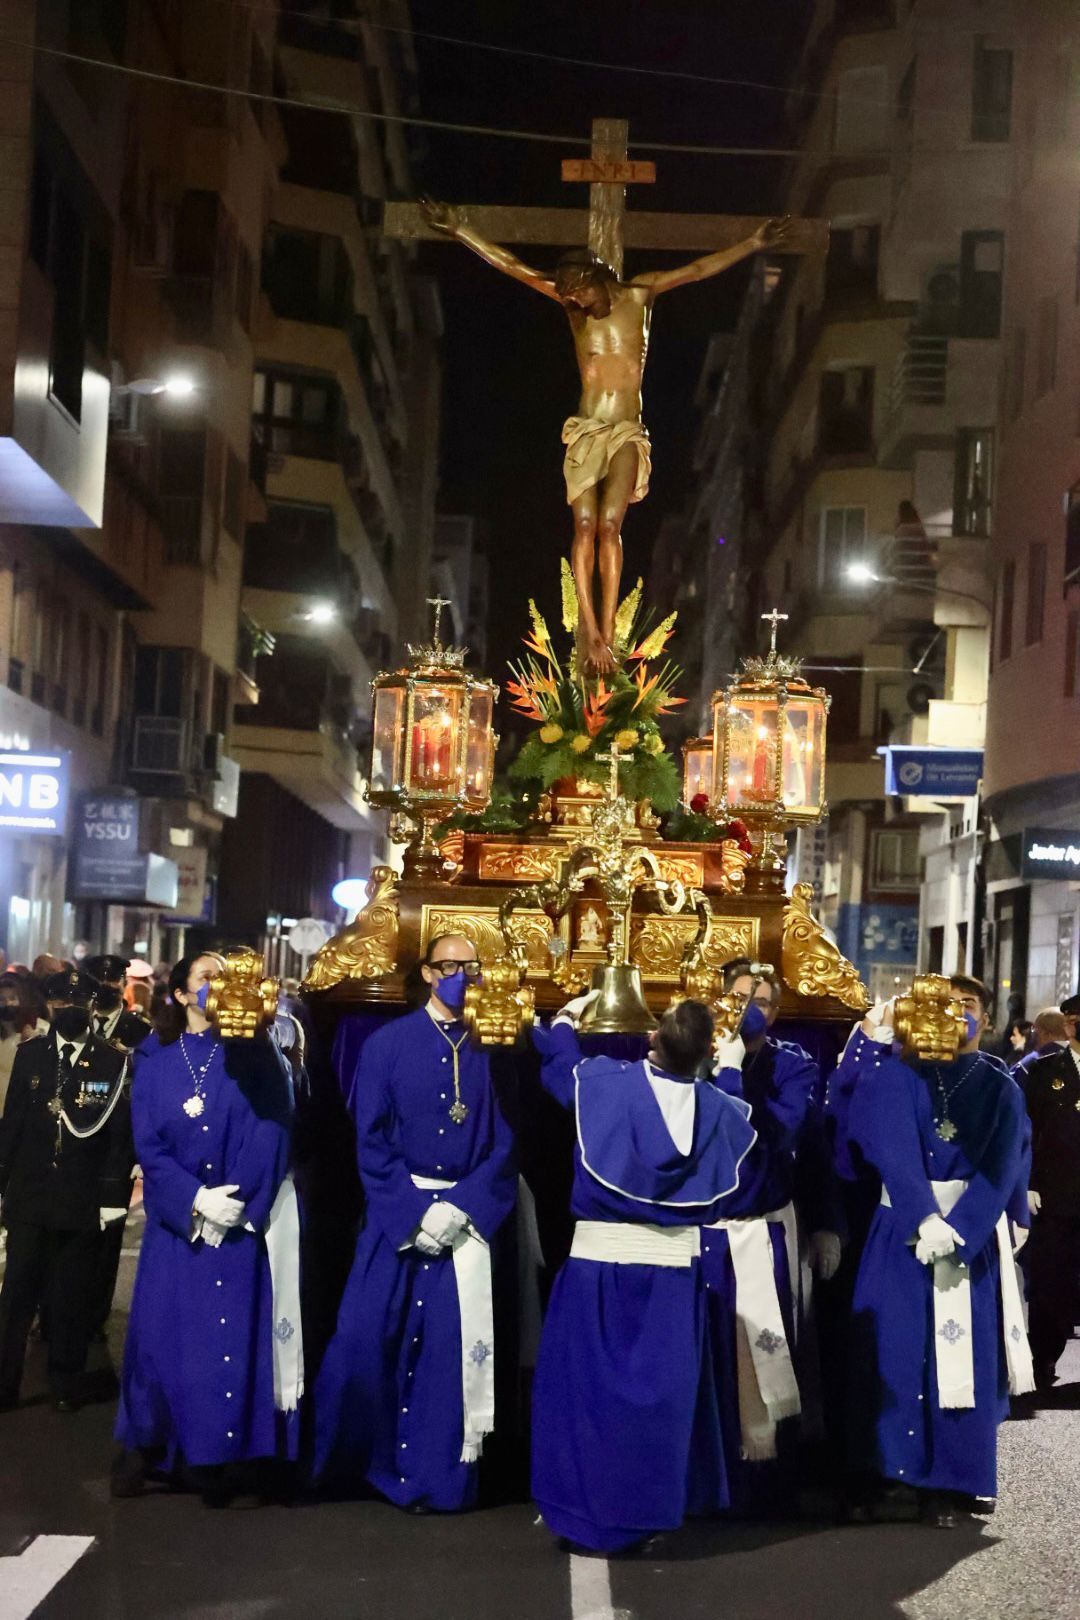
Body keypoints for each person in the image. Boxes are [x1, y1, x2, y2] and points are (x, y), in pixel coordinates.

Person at [422, 195, 790, 673]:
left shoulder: (640, 296)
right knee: (583, 527)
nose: (572, 301)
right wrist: (459, 231)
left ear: (597, 277)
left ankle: (609, 628)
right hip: (587, 430)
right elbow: (512, 266)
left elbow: (698, 269)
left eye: (577, 292)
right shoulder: (574, 311)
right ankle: (590, 631)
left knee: (609, 526)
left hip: (626, 432)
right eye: (568, 296)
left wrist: (753, 243)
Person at [529, 994, 757, 1554]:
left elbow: (560, 1065)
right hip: (673, 1280)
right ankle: (647, 1513)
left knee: (588, 1396)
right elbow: (732, 1116)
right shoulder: (721, 1106)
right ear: (707, 1050)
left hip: (598, 1272)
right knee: (660, 1404)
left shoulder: (606, 1083)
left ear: (652, 1038)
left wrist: (562, 1020)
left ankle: (584, 1515)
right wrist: (730, 1071)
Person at [313, 934, 517, 1511]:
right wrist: (412, 1212)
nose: (463, 975)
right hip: (398, 1217)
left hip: (465, 1220)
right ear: (427, 973)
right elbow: (370, 1139)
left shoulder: (495, 1044)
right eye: (450, 965)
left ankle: (438, 1477)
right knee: (362, 1338)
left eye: (471, 966)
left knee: (451, 1355)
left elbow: (506, 1140)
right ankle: (362, 1465)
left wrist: (463, 1207)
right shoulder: (387, 1043)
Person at [113, 954, 298, 1507]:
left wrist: (236, 1202)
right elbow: (150, 1146)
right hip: (180, 1231)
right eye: (206, 978)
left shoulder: (257, 1058)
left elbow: (273, 1129)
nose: (217, 988)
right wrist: (194, 1201)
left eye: (225, 978)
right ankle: (167, 1448)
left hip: (236, 1226)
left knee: (230, 1345)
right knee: (167, 1345)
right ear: (178, 994)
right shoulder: (157, 1064)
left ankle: (230, 1457)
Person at [846, 980, 1033, 1527]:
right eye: (942, 1005)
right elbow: (890, 1146)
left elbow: (1001, 1165)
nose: (953, 1015)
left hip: (965, 1236)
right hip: (903, 1229)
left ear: (988, 1020)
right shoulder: (895, 1072)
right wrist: (923, 1218)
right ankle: (885, 1472)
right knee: (892, 1349)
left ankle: (954, 1481)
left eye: (966, 1006)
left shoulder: (1002, 1085)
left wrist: (963, 1229)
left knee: (964, 1358)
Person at [699, 962, 835, 1499]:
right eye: (738, 996)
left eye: (763, 1000)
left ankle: (764, 1481)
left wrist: (828, 1224)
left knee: (768, 1352)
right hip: (704, 1229)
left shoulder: (793, 1066)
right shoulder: (696, 1055)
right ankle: (709, 1475)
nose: (749, 1007)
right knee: (710, 1354)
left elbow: (780, 1136)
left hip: (761, 1226)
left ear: (777, 1013)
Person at [0, 968, 133, 1411]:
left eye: (77, 1005)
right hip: (31, 1196)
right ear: (49, 1007)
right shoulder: (32, 1054)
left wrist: (113, 1198)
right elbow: (12, 1126)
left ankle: (64, 1381)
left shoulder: (113, 1060)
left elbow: (117, 1136)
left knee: (70, 1296)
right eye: (59, 1005)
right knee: (16, 1295)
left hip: (80, 1196)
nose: (68, 1011)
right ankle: (4, 1383)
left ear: (92, 1007)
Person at [84, 955, 153, 1340]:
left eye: (115, 982)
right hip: (76, 1146)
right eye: (101, 981)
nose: (109, 988)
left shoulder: (140, 1032)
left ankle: (95, 1316)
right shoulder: (76, 1026)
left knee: (107, 1240)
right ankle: (56, 1313)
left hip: (117, 1149)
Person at [1018, 992, 1080, 1390]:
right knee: (1049, 1282)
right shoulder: (1043, 1072)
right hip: (1056, 1195)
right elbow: (1025, 1132)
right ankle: (1043, 1358)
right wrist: (1026, 1183)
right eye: (1073, 1020)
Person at [85, 955, 153, 1051]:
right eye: (98, 979)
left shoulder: (141, 1029)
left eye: (113, 979)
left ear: (125, 983)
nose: (105, 984)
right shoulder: (77, 1023)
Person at [1011, 1007, 1069, 1075]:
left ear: (1045, 1034)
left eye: (1034, 1030)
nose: (1032, 1035)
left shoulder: (1029, 1064)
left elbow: (1009, 1084)